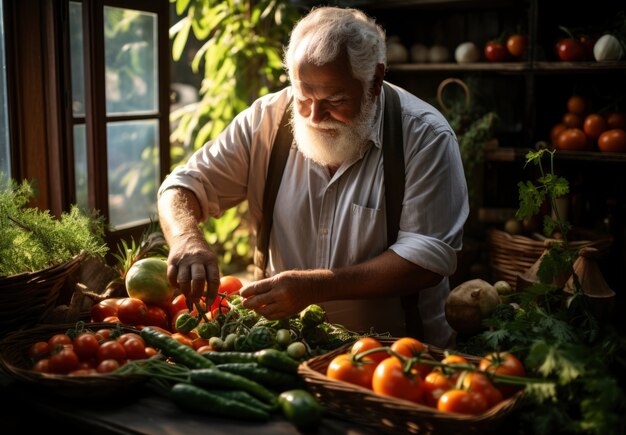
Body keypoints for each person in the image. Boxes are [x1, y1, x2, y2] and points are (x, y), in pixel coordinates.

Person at [157, 6, 468, 347]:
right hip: (287, 349)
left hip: (395, 357)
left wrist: (318, 286)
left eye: (335, 99)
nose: (315, 116)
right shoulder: (267, 120)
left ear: (375, 80)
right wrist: (187, 237)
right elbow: (181, 187)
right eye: (304, 97)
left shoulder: (425, 136)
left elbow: (426, 260)